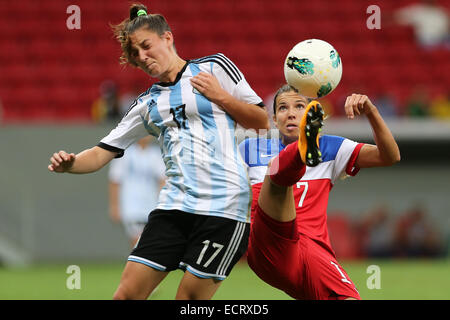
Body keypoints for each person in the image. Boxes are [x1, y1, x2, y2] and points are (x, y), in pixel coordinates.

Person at [48, 4, 269, 300]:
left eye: (146, 46)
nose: (142, 57)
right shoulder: (147, 105)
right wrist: (71, 163)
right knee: (125, 296)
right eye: (136, 54)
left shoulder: (215, 67)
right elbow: (102, 152)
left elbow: (261, 122)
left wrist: (220, 96)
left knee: (188, 302)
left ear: (167, 38)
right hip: (172, 209)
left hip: (224, 210)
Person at [239, 84, 400, 300]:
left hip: (314, 251)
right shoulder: (251, 148)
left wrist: (372, 112)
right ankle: (300, 152)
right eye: (283, 108)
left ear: (309, 113)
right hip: (269, 244)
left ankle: (301, 150)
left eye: (299, 106)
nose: (291, 113)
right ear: (275, 119)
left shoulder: (331, 148)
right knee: (276, 176)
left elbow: (390, 156)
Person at [108, 136, 166, 247]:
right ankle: (136, 262)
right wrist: (114, 206)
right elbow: (115, 180)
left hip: (151, 203)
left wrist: (161, 202)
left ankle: (141, 263)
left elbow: (162, 180)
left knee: (148, 239)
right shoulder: (124, 154)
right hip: (131, 204)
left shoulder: (156, 154)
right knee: (136, 239)